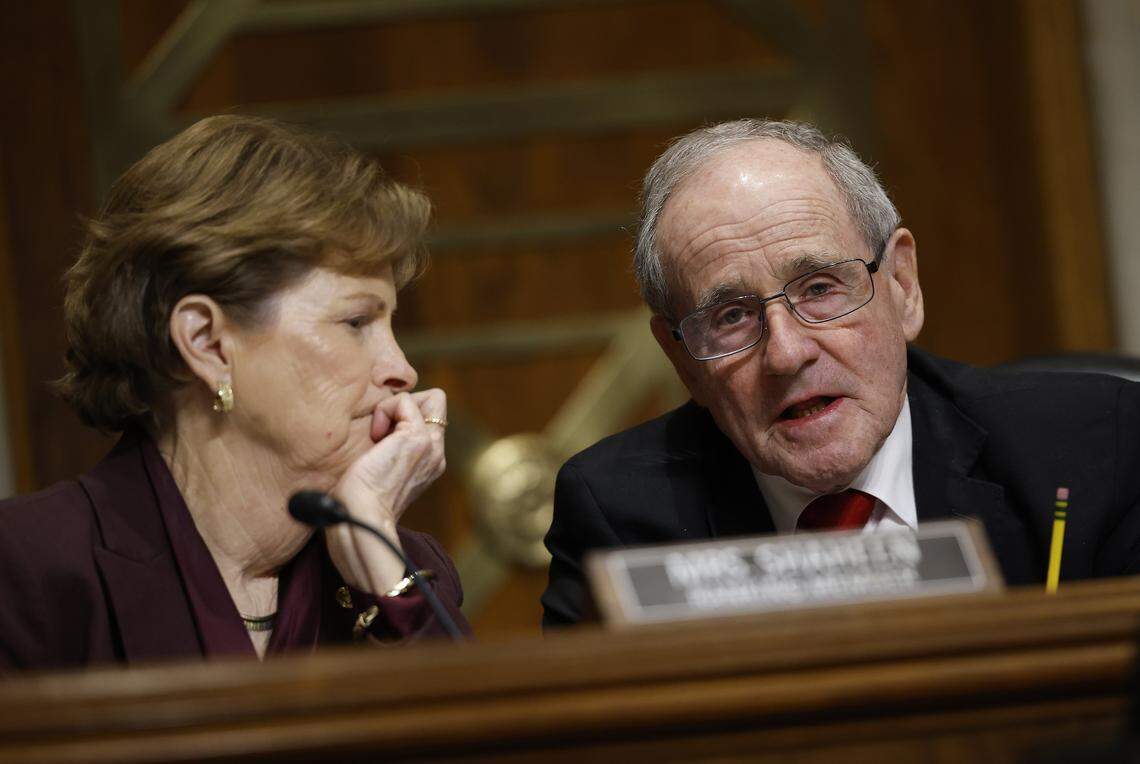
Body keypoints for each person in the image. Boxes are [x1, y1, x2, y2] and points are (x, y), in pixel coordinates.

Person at [542, 118, 1140, 627]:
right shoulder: (618, 513)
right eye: (729, 317)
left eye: (821, 288)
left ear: (902, 286)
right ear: (680, 360)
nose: (786, 353)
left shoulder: (1094, 448)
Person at [0, 115, 472, 670]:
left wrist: (377, 562)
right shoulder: (25, 568)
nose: (403, 370)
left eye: (391, 325)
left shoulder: (402, 566)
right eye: (356, 322)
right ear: (207, 343)